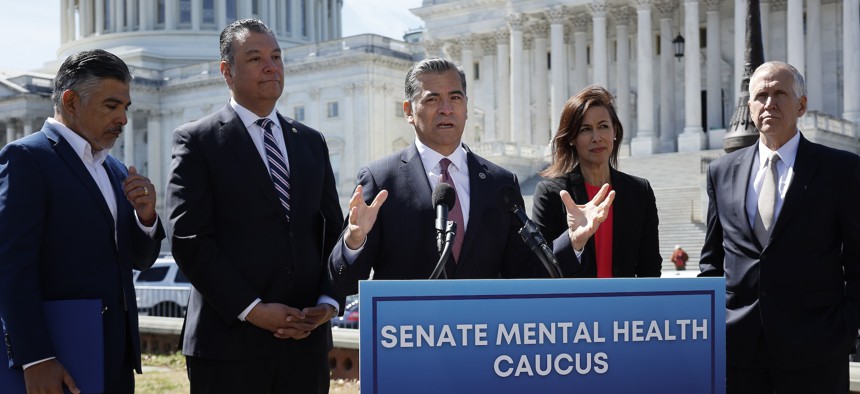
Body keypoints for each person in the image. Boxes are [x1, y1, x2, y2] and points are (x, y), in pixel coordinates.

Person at [328, 58, 614, 295]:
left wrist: (573, 240)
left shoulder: (500, 183)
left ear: (466, 108)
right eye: (432, 99)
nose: (446, 108)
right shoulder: (381, 181)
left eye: (455, 97)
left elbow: (525, 274)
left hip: (481, 347)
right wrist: (354, 241)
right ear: (408, 111)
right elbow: (345, 282)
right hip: (407, 347)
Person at [165, 19, 343, 393]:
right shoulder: (197, 141)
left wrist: (328, 301)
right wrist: (253, 309)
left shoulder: (311, 141)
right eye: (256, 58)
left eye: (276, 56)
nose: (271, 66)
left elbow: (330, 231)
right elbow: (190, 239)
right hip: (230, 344)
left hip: (305, 342)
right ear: (226, 72)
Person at [0, 49, 165, 393]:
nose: (123, 119)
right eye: (111, 106)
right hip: (58, 354)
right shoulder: (27, 158)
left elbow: (138, 260)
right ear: (71, 101)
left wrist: (146, 217)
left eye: (126, 108)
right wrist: (36, 357)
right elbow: (11, 267)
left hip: (115, 359)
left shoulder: (115, 169)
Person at [699, 61, 860, 393]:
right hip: (739, 352)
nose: (768, 103)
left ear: (801, 105)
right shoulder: (721, 171)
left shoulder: (840, 169)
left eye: (779, 94)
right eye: (760, 95)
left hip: (817, 349)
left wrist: (846, 328)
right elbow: (712, 262)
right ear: (749, 107)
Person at [532, 85, 662, 278]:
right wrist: (573, 242)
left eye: (603, 126)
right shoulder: (551, 193)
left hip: (626, 306)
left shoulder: (639, 191)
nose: (597, 137)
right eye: (585, 129)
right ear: (571, 138)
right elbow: (539, 270)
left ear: (615, 131)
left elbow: (650, 268)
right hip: (574, 305)